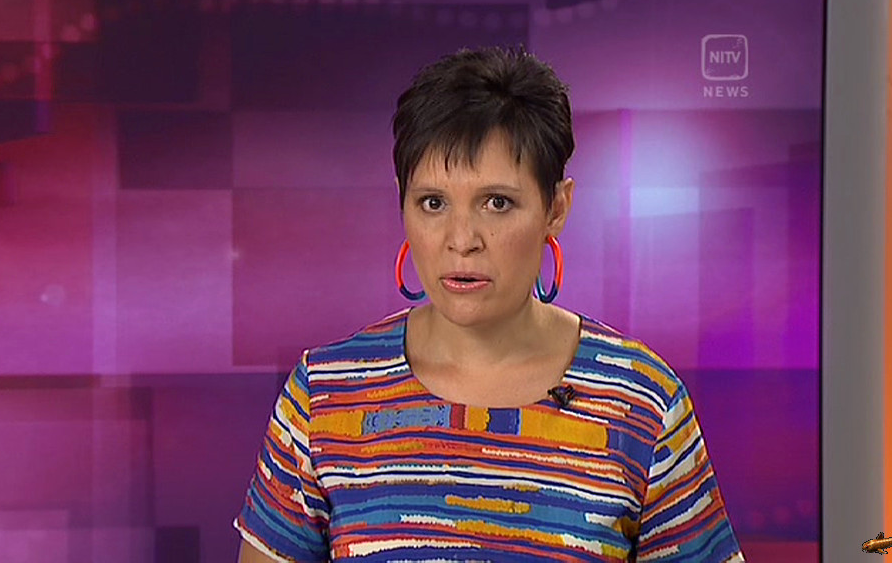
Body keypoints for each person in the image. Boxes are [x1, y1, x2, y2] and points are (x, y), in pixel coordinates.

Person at [234, 47, 745, 562]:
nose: (462, 240)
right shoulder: (325, 395)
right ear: (402, 203)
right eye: (433, 203)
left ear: (556, 207)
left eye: (497, 202)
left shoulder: (641, 400)